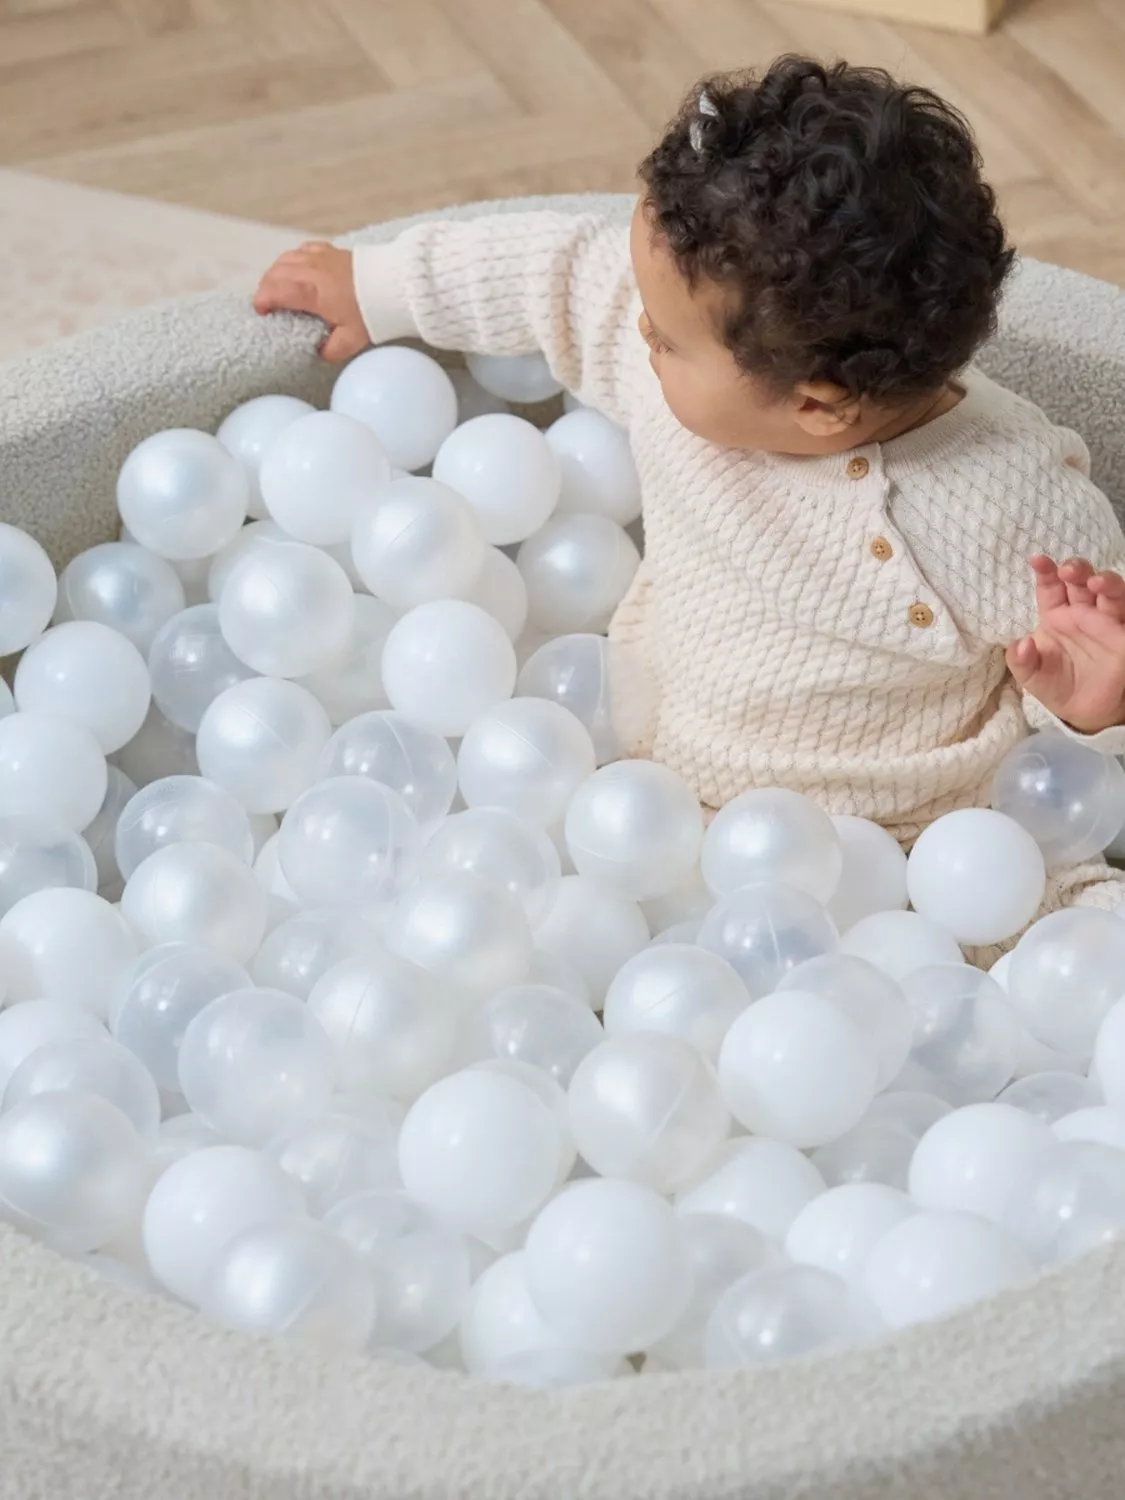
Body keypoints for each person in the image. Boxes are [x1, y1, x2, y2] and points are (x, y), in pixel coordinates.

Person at [254, 54, 1125, 940]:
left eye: (665, 339)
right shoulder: (681, 337)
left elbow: (1082, 680)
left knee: (1058, 929)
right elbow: (553, 274)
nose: (637, 331)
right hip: (655, 792)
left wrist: (1093, 706)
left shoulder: (1010, 508)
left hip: (915, 852)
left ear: (816, 407)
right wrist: (380, 287)